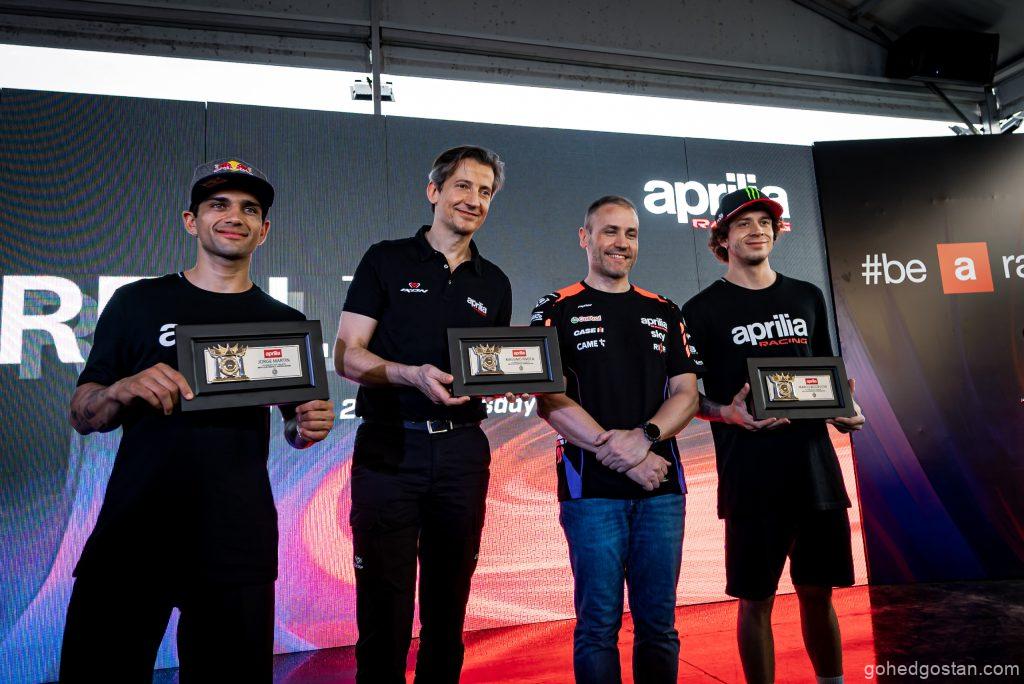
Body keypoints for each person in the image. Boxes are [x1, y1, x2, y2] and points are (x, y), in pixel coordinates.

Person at [61, 158, 335, 682]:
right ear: (191, 221)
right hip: (134, 533)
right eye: (218, 204)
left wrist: (306, 428)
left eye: (249, 209)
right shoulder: (137, 301)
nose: (234, 216)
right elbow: (82, 413)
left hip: (236, 542)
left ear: (263, 230)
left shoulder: (284, 322)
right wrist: (120, 388)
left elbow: (295, 428)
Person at [333, 145, 512, 683]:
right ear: (434, 191)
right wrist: (409, 374)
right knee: (383, 606)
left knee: (449, 603)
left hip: (461, 451)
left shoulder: (494, 282)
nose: (474, 200)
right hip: (390, 446)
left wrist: (521, 375)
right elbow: (346, 354)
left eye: (486, 192)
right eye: (463, 186)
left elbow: (492, 366)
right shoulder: (385, 259)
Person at [681, 186, 865, 684]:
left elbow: (829, 378)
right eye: (743, 223)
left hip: (814, 471)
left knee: (819, 592)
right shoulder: (699, 310)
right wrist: (726, 413)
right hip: (751, 477)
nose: (757, 230)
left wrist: (847, 411)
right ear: (722, 237)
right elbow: (687, 399)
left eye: (765, 221)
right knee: (755, 599)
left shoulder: (806, 296)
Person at [530, 195, 700, 684]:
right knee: (597, 628)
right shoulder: (555, 307)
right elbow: (549, 399)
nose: (621, 242)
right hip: (591, 492)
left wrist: (645, 437)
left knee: (659, 628)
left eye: (631, 233)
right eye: (609, 231)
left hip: (661, 490)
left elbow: (687, 394)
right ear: (585, 238)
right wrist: (627, 455)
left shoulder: (664, 309)